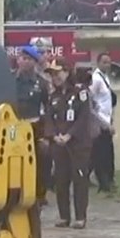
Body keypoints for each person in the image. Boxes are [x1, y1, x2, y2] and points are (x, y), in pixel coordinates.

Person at [43, 60, 93, 229]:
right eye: (52, 74)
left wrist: (70, 135)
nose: (55, 77)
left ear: (66, 72)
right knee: (61, 179)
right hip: (59, 144)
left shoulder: (80, 92)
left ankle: (80, 217)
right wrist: (54, 135)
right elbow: (49, 118)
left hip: (78, 144)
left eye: (58, 73)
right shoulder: (54, 96)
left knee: (79, 179)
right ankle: (64, 216)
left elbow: (84, 117)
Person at [14, 45, 49, 203]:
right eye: (23, 58)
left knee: (40, 159)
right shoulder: (9, 79)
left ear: (35, 62)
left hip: (33, 127)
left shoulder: (41, 83)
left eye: (29, 59)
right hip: (12, 127)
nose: (25, 62)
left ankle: (38, 194)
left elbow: (48, 108)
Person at [89, 53, 117, 192]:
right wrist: (102, 122)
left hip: (107, 119)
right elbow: (91, 101)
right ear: (98, 63)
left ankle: (108, 180)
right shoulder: (96, 79)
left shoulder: (105, 78)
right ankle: (104, 182)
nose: (107, 65)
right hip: (100, 122)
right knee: (101, 154)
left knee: (106, 153)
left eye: (109, 62)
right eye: (105, 62)